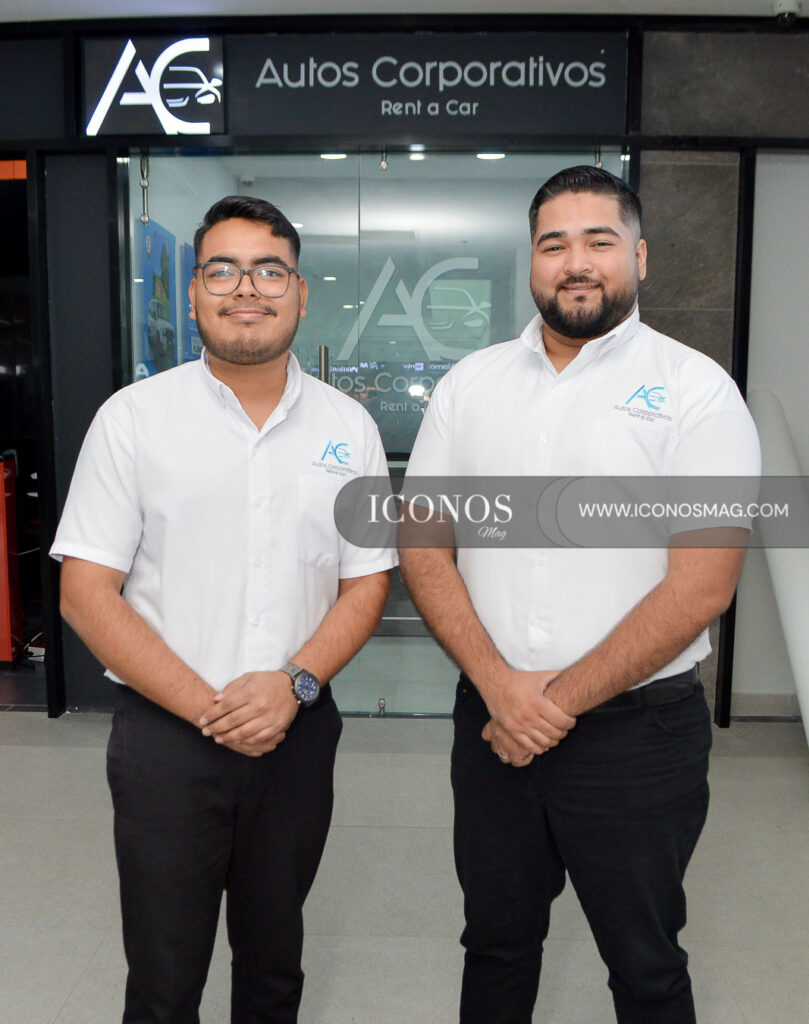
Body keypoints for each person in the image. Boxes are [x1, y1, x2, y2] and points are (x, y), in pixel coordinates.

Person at [399, 166, 760, 1024]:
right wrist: (498, 687)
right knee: (494, 943)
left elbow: (704, 581)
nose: (575, 261)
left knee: (644, 965)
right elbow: (424, 543)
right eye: (553, 243)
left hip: (637, 737)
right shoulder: (470, 385)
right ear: (529, 261)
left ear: (637, 254)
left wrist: (546, 704)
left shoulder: (696, 391)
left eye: (598, 240)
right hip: (489, 722)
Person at [50, 195, 395, 1023]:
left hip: (297, 736)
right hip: (167, 743)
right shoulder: (133, 420)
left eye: (269, 269)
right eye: (224, 269)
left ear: (301, 293)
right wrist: (211, 708)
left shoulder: (350, 427)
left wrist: (294, 685)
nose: (248, 288)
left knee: (275, 967)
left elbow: (367, 582)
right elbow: (84, 593)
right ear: (196, 289)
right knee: (165, 981)